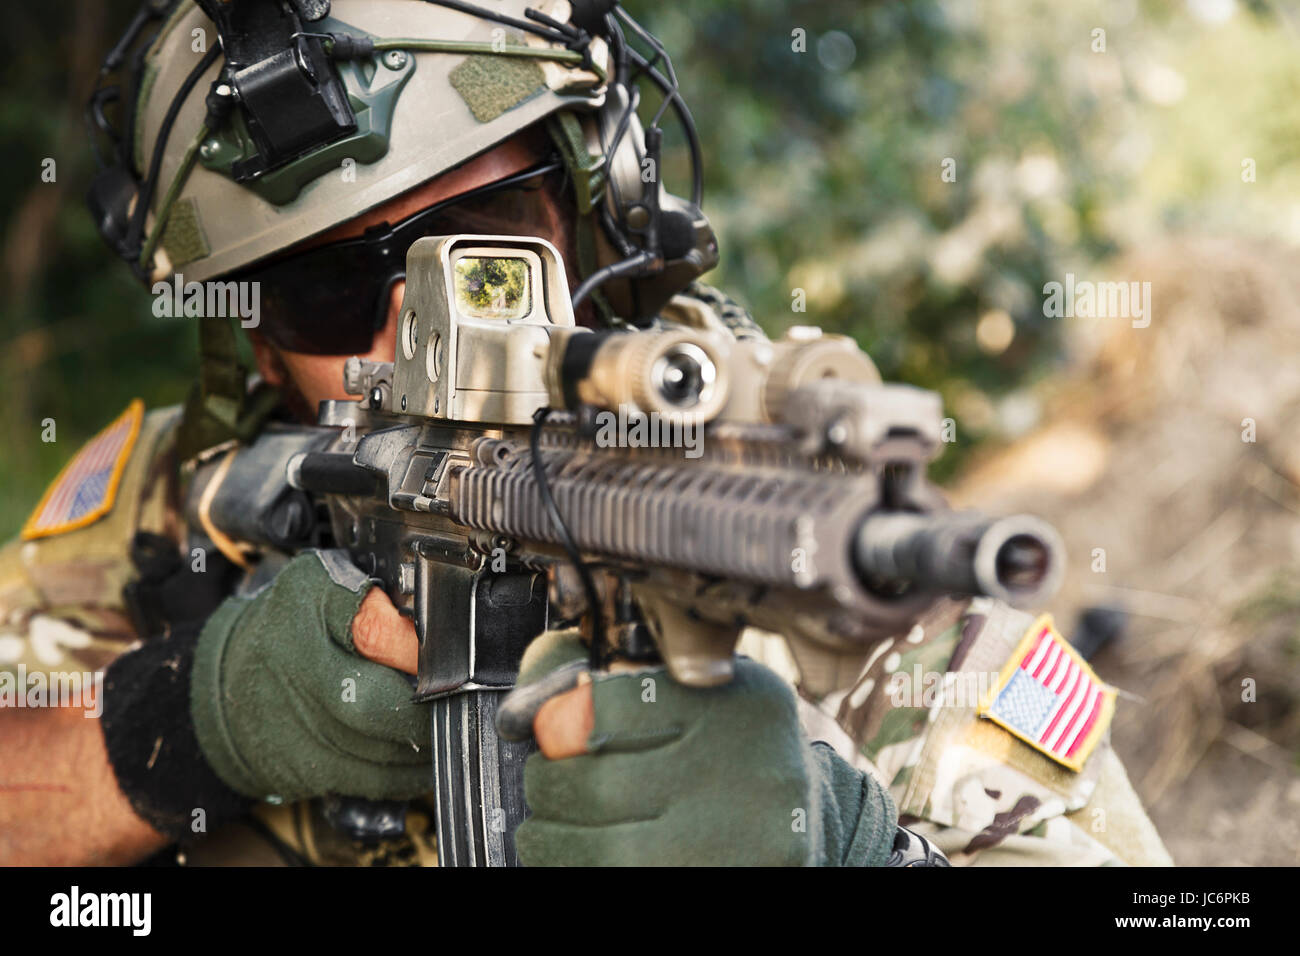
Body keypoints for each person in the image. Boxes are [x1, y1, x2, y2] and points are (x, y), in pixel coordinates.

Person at [0, 0, 1166, 866]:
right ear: (253, 342)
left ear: (593, 213)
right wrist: (188, 719)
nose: (419, 327)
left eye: (485, 241)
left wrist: (856, 853)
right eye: (324, 287)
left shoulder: (805, 531)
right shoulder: (168, 504)